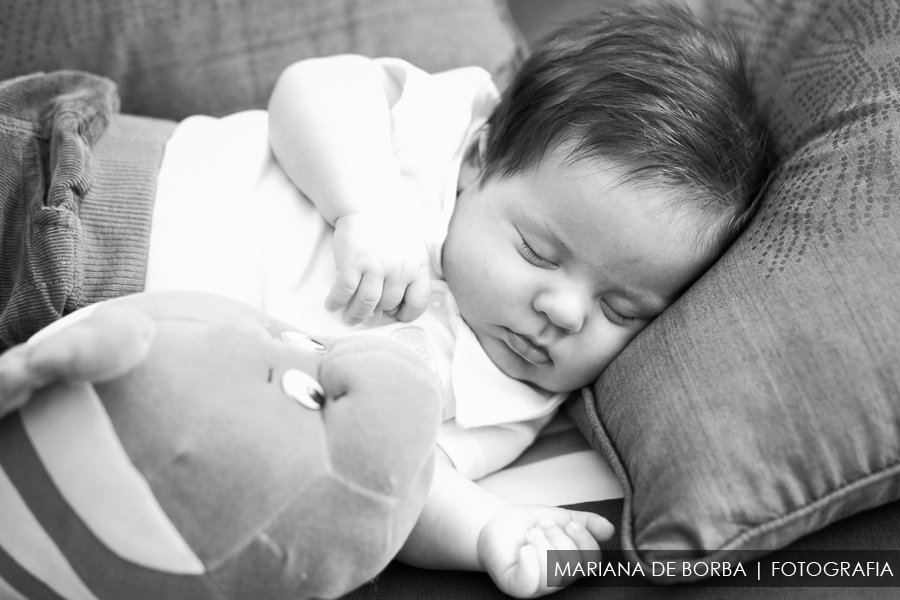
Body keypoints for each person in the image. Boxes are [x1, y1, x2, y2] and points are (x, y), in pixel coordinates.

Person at [137, 3, 774, 597]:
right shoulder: (441, 137)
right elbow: (311, 88)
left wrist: (488, 530)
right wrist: (366, 207)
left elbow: (397, 478)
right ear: (480, 158)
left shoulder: (508, 399)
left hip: (109, 343)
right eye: (537, 253)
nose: (566, 311)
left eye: (621, 310)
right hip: (105, 179)